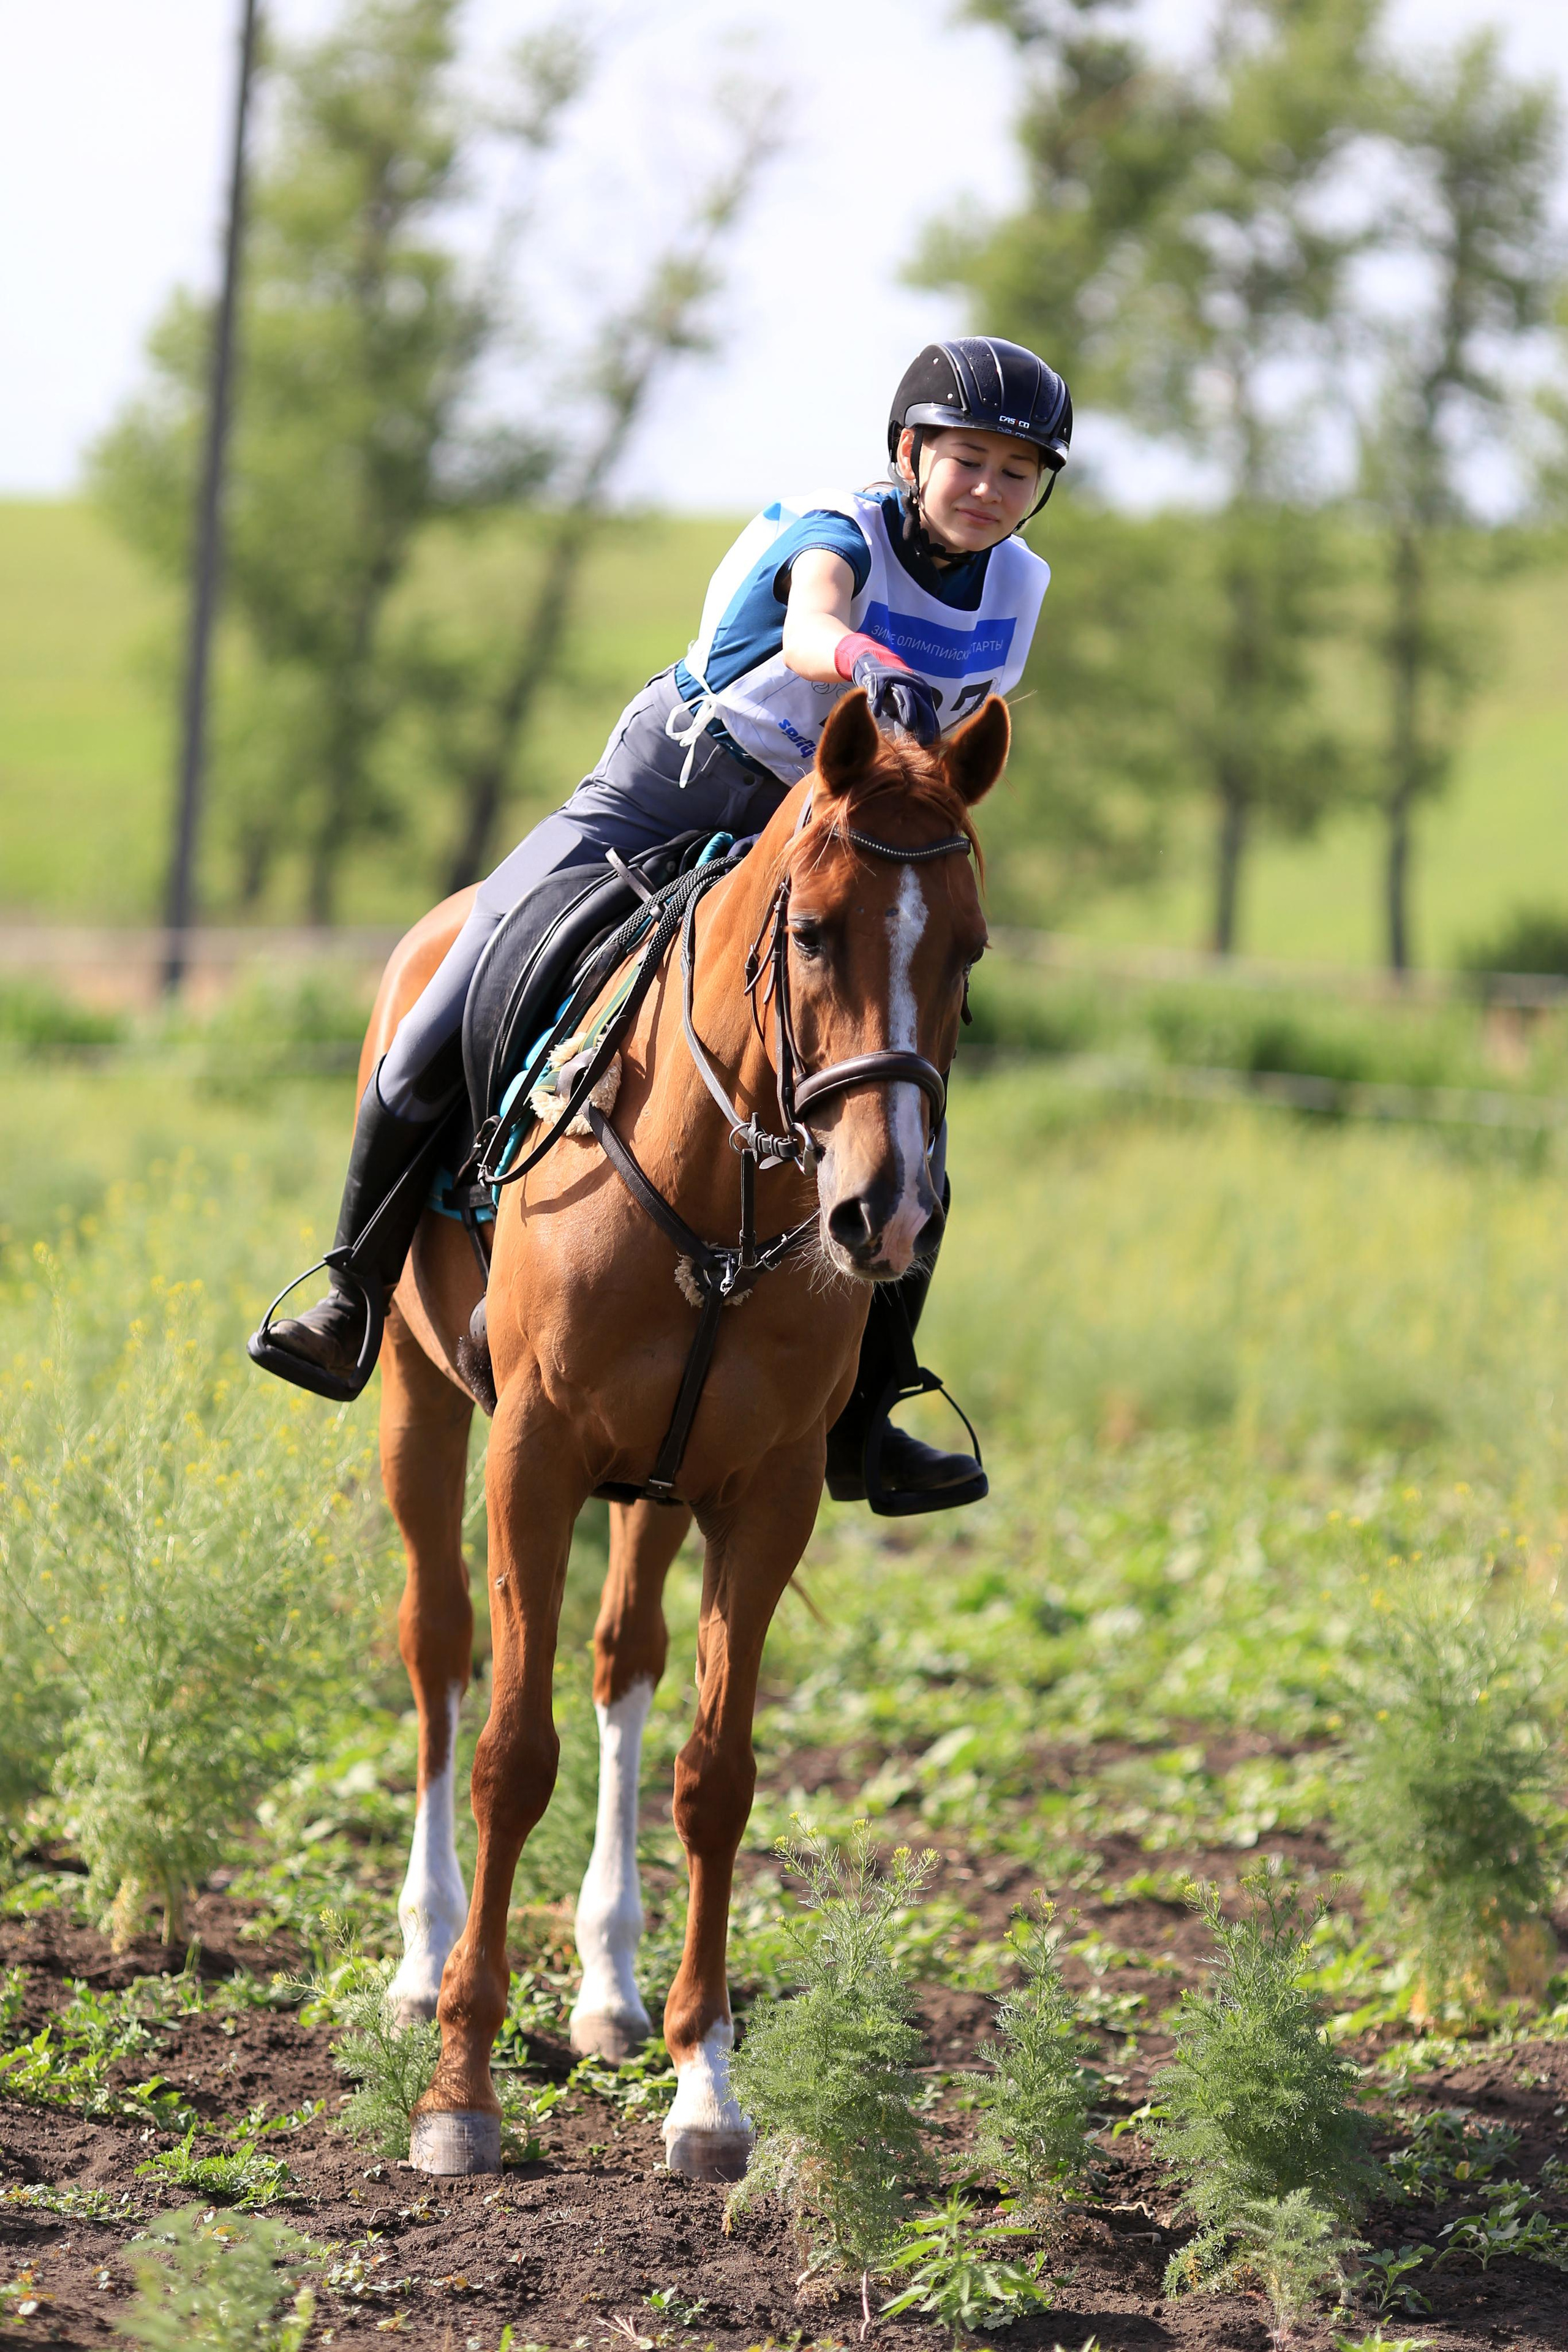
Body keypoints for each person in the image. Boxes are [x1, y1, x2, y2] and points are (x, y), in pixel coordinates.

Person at [250, 335, 1072, 1513]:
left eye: (1017, 472)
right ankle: (353, 1294)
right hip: (677, 785)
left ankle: (868, 1412)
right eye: (968, 461)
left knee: (900, 1124)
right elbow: (810, 633)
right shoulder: (839, 529)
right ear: (910, 455)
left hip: (824, 833)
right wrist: (866, 665)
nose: (990, 490)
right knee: (460, 985)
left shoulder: (1018, 589)